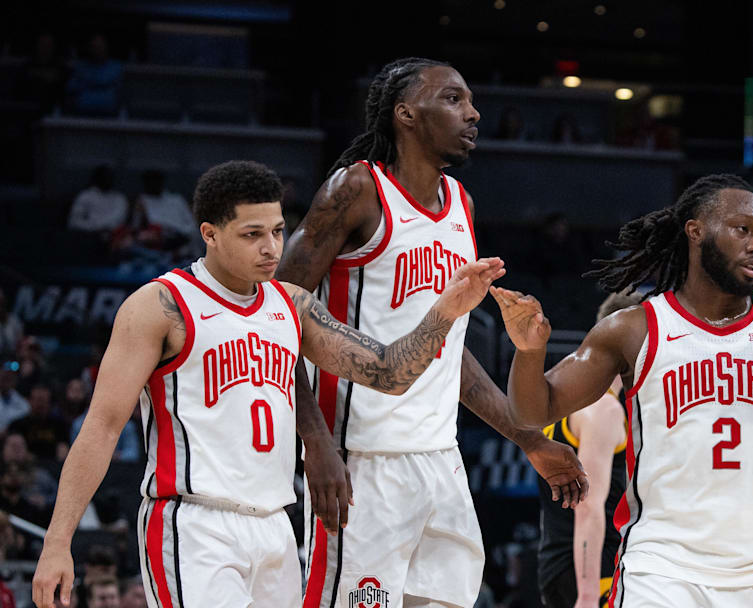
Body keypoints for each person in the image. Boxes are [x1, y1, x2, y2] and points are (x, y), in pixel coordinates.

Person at [32, 160, 505, 608]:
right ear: (210, 235)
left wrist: (446, 311)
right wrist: (57, 541)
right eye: (252, 235)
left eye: (278, 231)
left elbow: (388, 372)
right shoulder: (160, 305)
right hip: (195, 523)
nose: (271, 249)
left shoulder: (292, 304)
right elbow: (102, 426)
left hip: (277, 526)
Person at [491, 174, 753, 606]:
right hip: (662, 570)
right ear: (695, 231)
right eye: (742, 229)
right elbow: (534, 411)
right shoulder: (635, 329)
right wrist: (530, 351)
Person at [276, 57, 587, 608]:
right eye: (452, 99)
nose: (473, 113)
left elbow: (449, 351)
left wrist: (526, 437)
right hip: (360, 457)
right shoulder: (356, 190)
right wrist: (314, 441)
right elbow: (275, 318)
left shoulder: (461, 205)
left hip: (440, 457)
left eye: (469, 101)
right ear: (406, 115)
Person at [537, 291, 641, 608]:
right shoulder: (604, 410)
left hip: (557, 562)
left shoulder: (565, 395)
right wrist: (586, 596)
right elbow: (588, 507)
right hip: (595, 573)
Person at [68, 166, 129, 235]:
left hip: (112, 237)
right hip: (87, 235)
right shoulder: (85, 196)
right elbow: (74, 221)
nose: (107, 180)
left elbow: (118, 221)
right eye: (104, 177)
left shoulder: (119, 199)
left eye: (109, 177)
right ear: (97, 178)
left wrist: (100, 226)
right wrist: (92, 227)